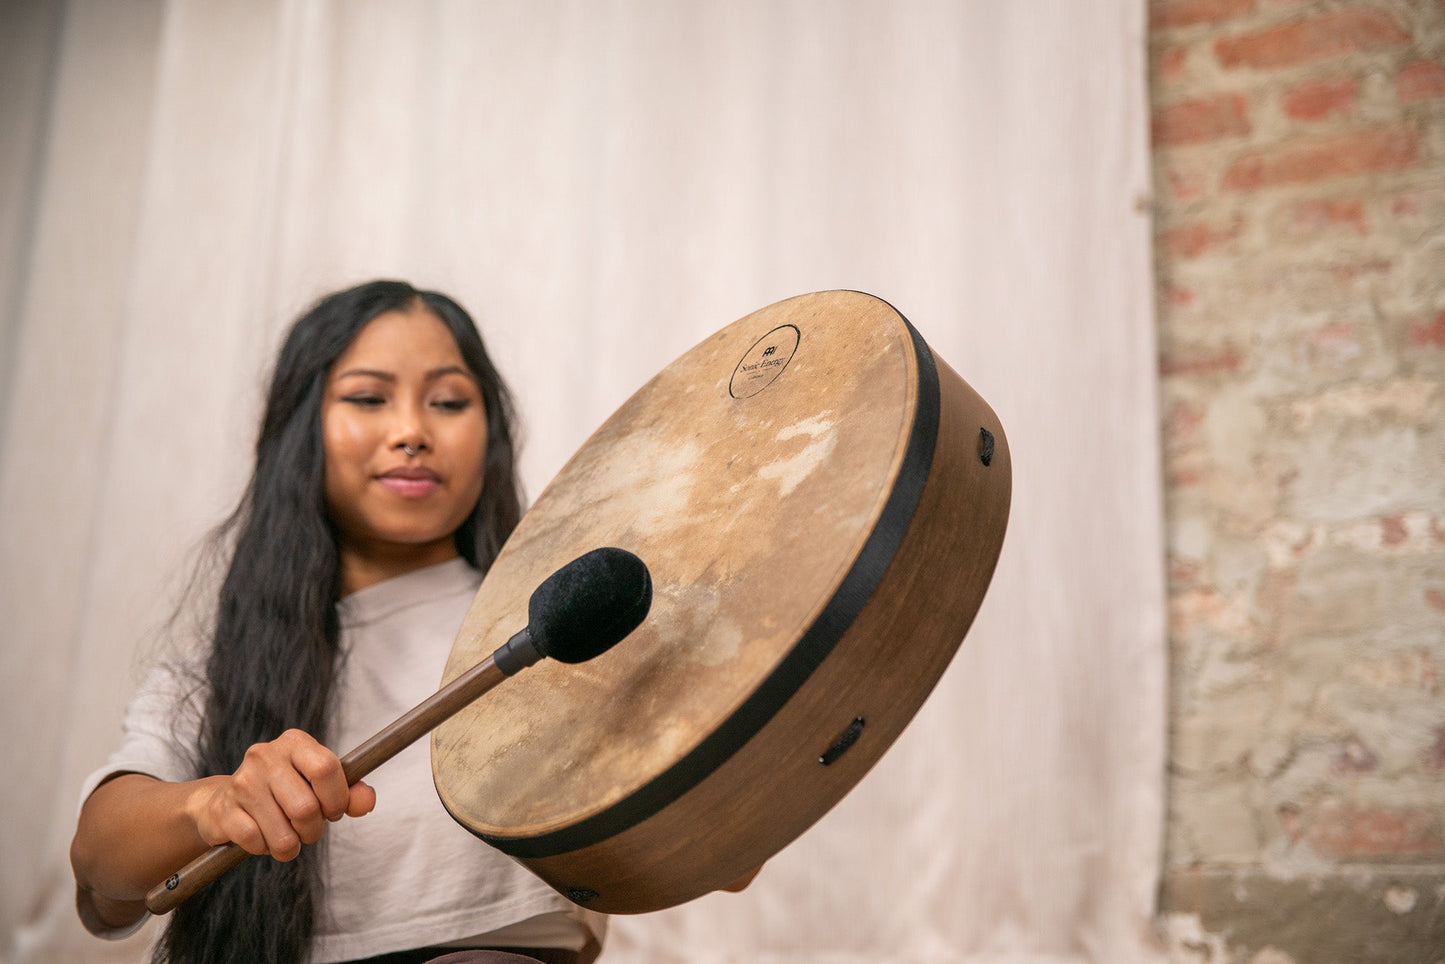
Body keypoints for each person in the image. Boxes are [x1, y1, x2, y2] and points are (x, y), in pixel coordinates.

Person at [70, 280, 603, 964]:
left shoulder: (561, 633)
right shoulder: (218, 676)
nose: (411, 431)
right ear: (302, 433)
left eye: (447, 402)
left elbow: (709, 849)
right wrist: (216, 804)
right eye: (367, 398)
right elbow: (99, 868)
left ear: (491, 435)